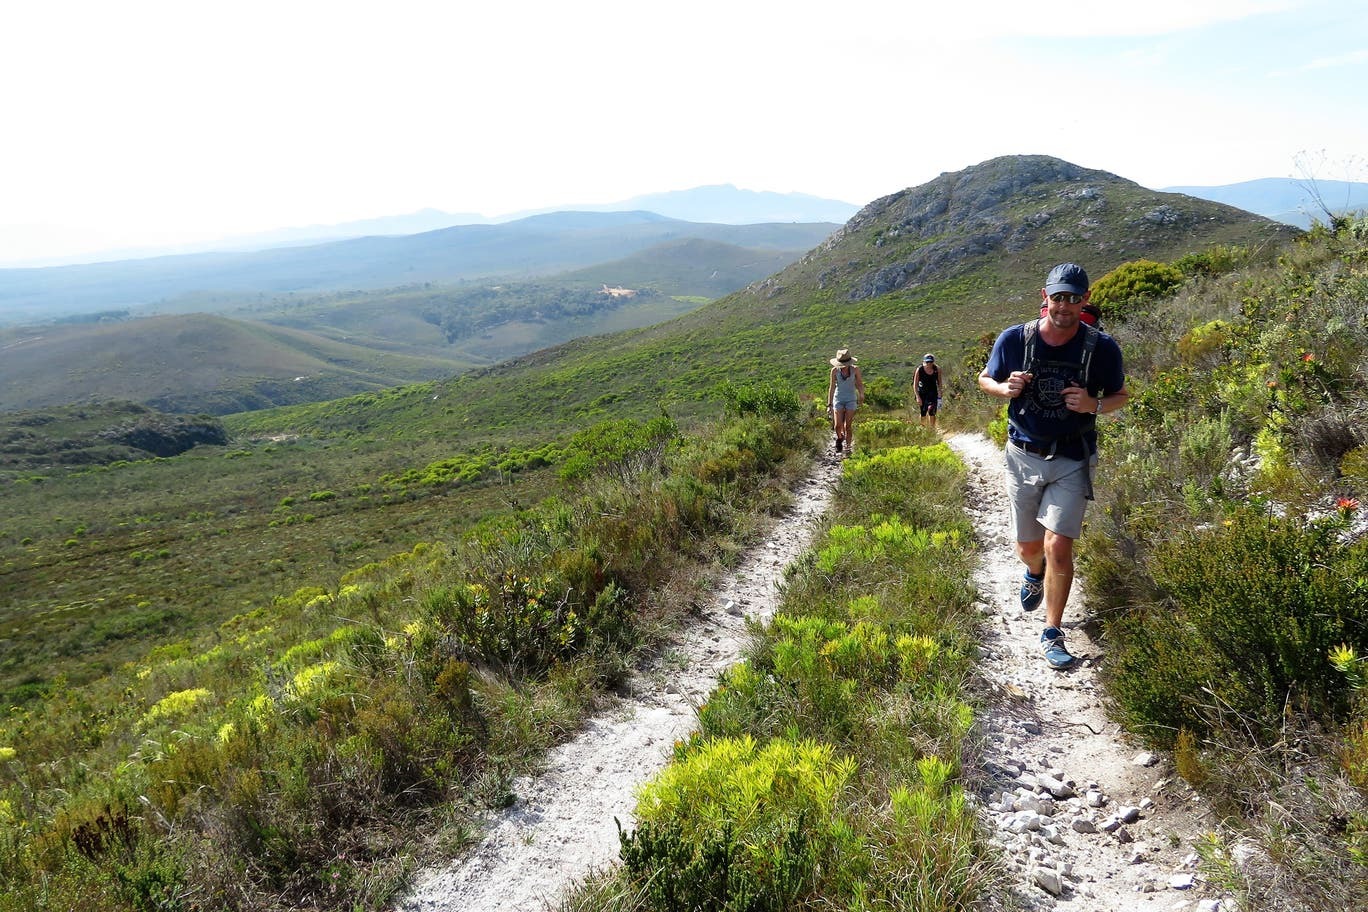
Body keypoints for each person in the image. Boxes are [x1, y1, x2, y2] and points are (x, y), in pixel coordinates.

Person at [977, 263, 1129, 669]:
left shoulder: (1101, 348)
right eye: (1058, 297)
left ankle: (1052, 631)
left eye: (1074, 298)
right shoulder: (1016, 339)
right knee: (1029, 548)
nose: (1065, 306)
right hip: (1023, 454)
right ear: (1044, 297)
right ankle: (1033, 572)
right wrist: (1002, 388)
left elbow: (1120, 395)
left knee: (1059, 544)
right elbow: (985, 379)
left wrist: (1094, 405)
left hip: (1072, 457)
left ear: (1086, 300)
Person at [826, 348, 864, 454]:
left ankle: (848, 447)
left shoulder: (855, 370)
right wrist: (829, 404)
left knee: (848, 425)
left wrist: (861, 394)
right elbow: (832, 387)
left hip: (851, 399)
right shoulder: (834, 371)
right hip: (838, 398)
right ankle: (840, 438)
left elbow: (859, 383)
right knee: (837, 425)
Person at [914, 353, 942, 430]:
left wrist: (940, 393)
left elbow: (939, 382)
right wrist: (917, 397)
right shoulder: (919, 369)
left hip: (933, 393)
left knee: (931, 410)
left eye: (931, 362)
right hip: (922, 393)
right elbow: (915, 384)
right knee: (923, 413)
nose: (929, 364)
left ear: (933, 362)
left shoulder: (937, 369)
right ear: (924, 362)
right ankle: (923, 428)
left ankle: (932, 429)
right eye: (927, 362)